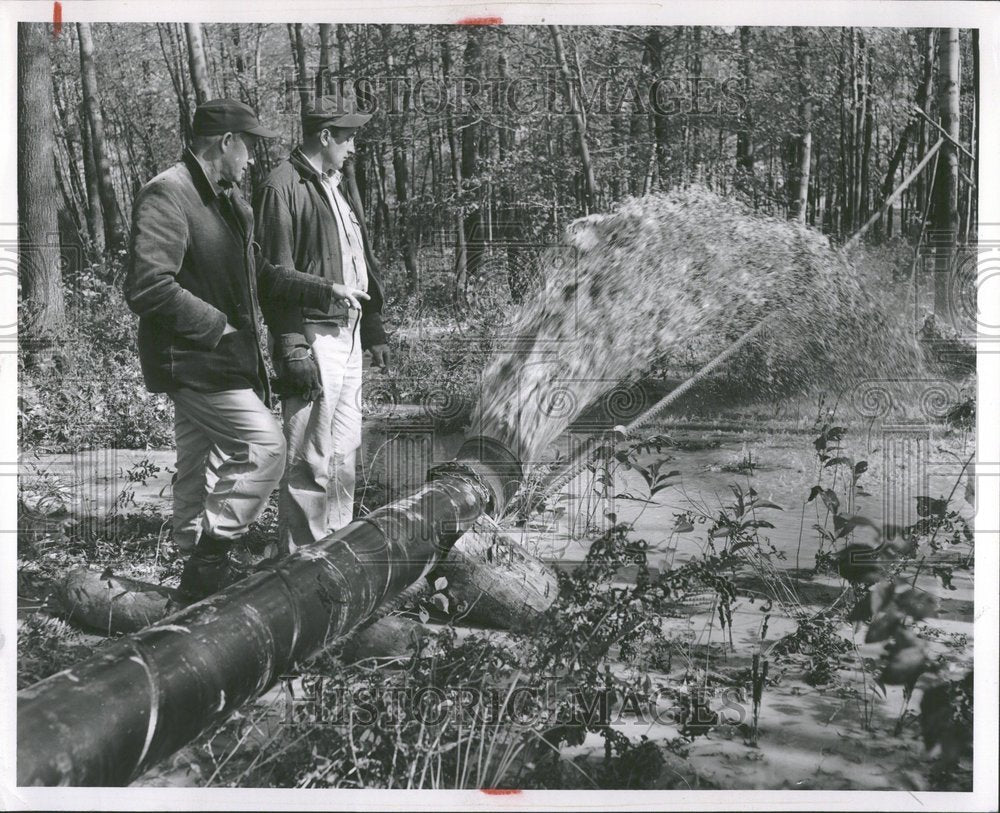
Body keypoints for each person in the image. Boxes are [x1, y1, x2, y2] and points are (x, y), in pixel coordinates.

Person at [125, 98, 369, 602]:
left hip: (222, 359)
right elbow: (148, 286)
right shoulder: (167, 194)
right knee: (266, 447)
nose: (254, 158)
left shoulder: (229, 199)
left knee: (199, 463)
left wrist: (324, 288)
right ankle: (209, 567)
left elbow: (262, 273)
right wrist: (218, 325)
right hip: (193, 360)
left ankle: (184, 590)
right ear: (225, 142)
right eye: (250, 145)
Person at [254, 93, 390, 555]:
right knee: (309, 455)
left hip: (348, 335)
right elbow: (272, 276)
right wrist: (292, 347)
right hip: (314, 334)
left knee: (346, 450)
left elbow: (361, 261)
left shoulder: (337, 184)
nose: (352, 147)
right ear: (324, 136)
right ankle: (301, 561)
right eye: (347, 137)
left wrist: (372, 328)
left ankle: (338, 548)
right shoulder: (281, 186)